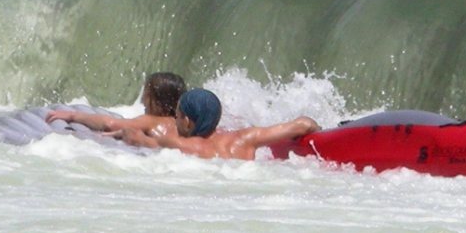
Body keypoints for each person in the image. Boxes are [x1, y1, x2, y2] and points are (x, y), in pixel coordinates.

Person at [113, 88, 319, 160]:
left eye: (177, 116)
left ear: (186, 120)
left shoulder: (183, 145)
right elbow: (304, 124)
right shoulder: (246, 139)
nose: (175, 121)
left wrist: (125, 134)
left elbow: (140, 140)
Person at [44, 71, 186, 137]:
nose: (142, 101)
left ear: (159, 102)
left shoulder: (152, 121)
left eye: (147, 95)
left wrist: (72, 116)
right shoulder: (184, 126)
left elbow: (110, 124)